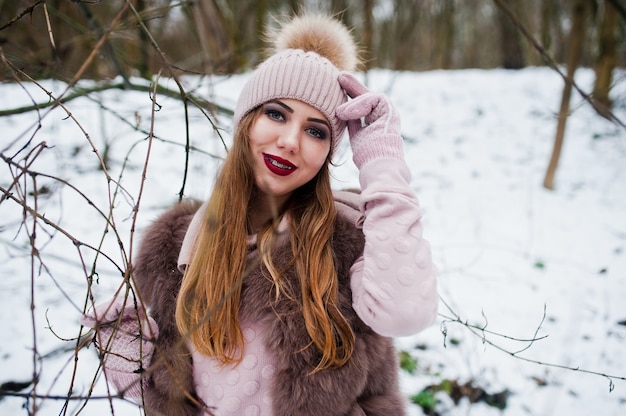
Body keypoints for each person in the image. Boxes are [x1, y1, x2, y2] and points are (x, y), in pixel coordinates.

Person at [81, 13, 438, 416]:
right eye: (276, 114)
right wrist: (123, 348)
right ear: (246, 122)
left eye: (316, 131)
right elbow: (168, 394)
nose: (289, 141)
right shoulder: (176, 248)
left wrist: (383, 165)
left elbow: (407, 313)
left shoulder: (348, 239)